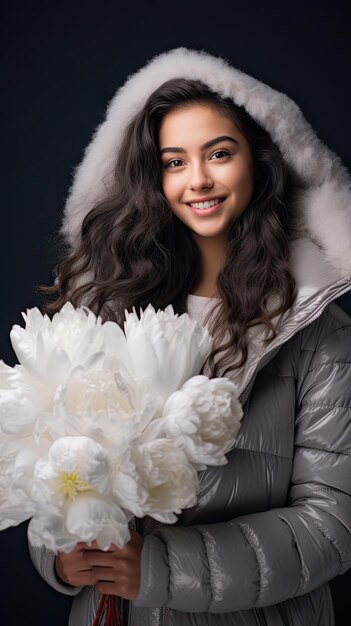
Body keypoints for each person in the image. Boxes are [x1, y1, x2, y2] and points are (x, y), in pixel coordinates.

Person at [29, 47, 351, 625]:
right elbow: (52, 466)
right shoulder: (104, 304)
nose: (197, 179)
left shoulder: (317, 328)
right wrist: (60, 553)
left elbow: (332, 525)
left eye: (219, 154)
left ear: (258, 160)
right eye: (174, 162)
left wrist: (156, 568)